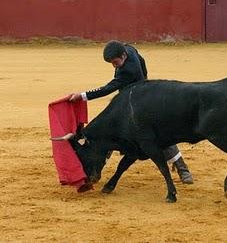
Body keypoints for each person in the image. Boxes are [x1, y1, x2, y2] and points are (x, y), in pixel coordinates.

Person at [69, 40, 193, 184]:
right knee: (107, 132)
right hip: (130, 97)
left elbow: (109, 88)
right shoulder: (129, 49)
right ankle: (96, 168)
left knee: (155, 134)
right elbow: (142, 64)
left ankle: (182, 169)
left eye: (115, 63)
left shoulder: (129, 69)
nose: (114, 66)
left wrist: (83, 96)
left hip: (141, 103)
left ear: (123, 55)